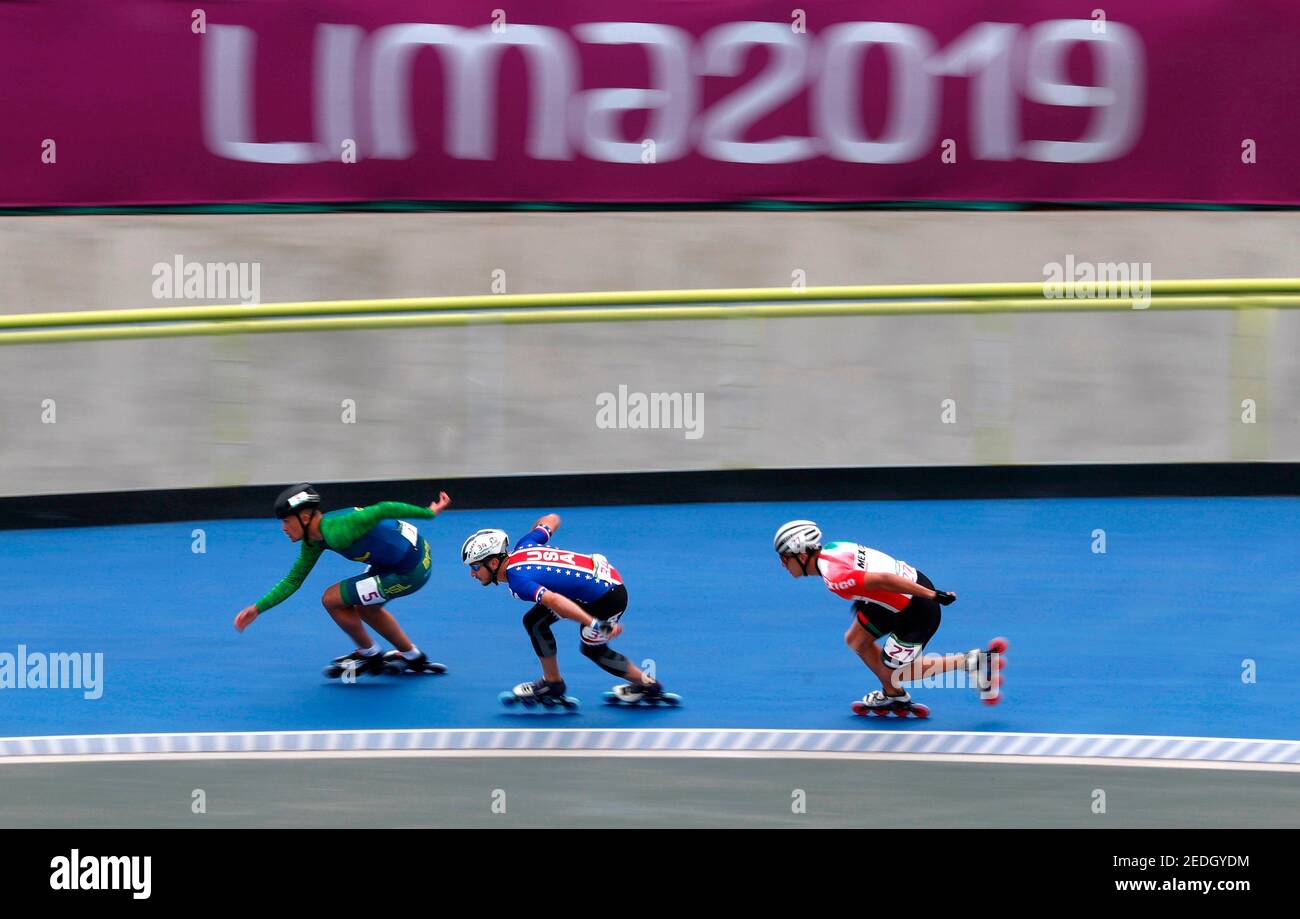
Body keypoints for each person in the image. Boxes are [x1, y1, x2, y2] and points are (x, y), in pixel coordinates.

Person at [774, 519, 1005, 711]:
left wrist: (933, 595)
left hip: (917, 609)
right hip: (896, 594)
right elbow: (875, 566)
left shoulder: (835, 579)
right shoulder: (835, 547)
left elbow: (884, 579)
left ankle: (972, 661)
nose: (783, 565)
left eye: (785, 559)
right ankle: (894, 696)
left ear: (802, 556)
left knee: (896, 673)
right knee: (855, 640)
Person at [234, 483, 452, 678]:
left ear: (306, 517)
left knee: (332, 599)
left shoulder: (339, 529)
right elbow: (293, 580)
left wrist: (428, 512)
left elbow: (383, 508)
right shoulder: (313, 541)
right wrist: (258, 608)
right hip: (397, 559)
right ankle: (412, 656)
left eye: (287, 521)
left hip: (410, 569)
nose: (283, 528)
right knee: (364, 607)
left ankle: (370, 654)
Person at [461, 512, 670, 704]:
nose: (473, 574)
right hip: (598, 580)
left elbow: (553, 600)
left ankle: (649, 686)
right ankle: (553, 682)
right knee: (534, 621)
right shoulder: (526, 544)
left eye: (475, 567)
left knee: (593, 650)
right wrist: (537, 534)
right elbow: (552, 518)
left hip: (608, 597)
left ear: (495, 563)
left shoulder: (518, 580)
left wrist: (595, 624)